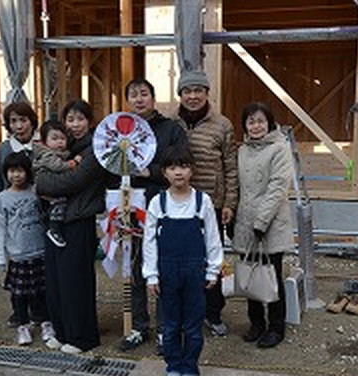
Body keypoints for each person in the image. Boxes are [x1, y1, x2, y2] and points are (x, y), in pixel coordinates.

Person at [142, 145, 223, 376]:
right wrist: (151, 275)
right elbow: (149, 241)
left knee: (192, 324)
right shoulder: (158, 202)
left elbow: (213, 238)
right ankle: (173, 367)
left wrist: (213, 270)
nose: (179, 173)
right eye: (173, 168)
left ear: (193, 171)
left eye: (184, 167)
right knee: (170, 324)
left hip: (194, 271)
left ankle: (190, 369)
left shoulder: (203, 201)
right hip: (167, 273)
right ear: (164, 173)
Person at [35, 99, 109, 355]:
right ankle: (62, 331)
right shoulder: (63, 147)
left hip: (79, 220)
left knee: (75, 281)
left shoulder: (97, 148)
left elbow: (71, 182)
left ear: (89, 121)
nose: (75, 124)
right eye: (70, 119)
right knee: (55, 280)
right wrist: (41, 182)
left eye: (80, 119)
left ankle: (82, 337)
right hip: (55, 221)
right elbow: (40, 173)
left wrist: (41, 185)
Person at [120, 78, 188, 353]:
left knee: (162, 269)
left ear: (153, 98)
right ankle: (138, 326)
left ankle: (165, 329)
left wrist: (153, 171)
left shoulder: (170, 129)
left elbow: (183, 161)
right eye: (133, 95)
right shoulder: (119, 130)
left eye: (144, 94)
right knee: (134, 266)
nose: (139, 99)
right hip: (129, 208)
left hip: (163, 206)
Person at [174, 70, 237, 337]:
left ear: (207, 93)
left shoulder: (222, 125)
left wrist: (229, 203)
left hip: (211, 204)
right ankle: (185, 314)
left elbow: (231, 167)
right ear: (180, 95)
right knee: (182, 262)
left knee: (212, 261)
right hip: (178, 204)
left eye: (198, 90)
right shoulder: (172, 124)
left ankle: (213, 313)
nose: (192, 96)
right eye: (187, 91)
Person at [233, 102, 294, 349]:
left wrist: (261, 222)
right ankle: (256, 323)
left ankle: (276, 327)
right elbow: (238, 187)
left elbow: (278, 187)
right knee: (250, 273)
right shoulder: (242, 151)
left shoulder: (280, 149)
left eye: (260, 121)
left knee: (271, 276)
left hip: (271, 224)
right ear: (245, 126)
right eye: (250, 121)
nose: (255, 126)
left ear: (269, 123)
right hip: (246, 222)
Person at [0, 152, 55, 346]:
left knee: (42, 291)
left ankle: (46, 323)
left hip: (40, 252)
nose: (16, 175)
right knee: (19, 294)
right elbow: (0, 231)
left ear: (28, 172)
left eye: (20, 170)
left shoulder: (36, 192)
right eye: (12, 171)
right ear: (6, 173)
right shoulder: (2, 198)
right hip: (18, 256)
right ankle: (23, 326)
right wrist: (0, 258)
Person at [0, 102, 38, 229]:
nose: (19, 126)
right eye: (13, 121)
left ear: (32, 122)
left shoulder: (40, 147)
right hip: (10, 211)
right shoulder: (4, 149)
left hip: (35, 211)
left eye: (23, 120)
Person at [33, 119, 83, 248]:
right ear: (45, 141)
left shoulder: (61, 153)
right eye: (54, 138)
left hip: (49, 188)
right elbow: (58, 167)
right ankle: (54, 229)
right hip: (45, 189)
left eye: (62, 138)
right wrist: (74, 163)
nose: (59, 142)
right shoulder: (47, 154)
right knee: (59, 204)